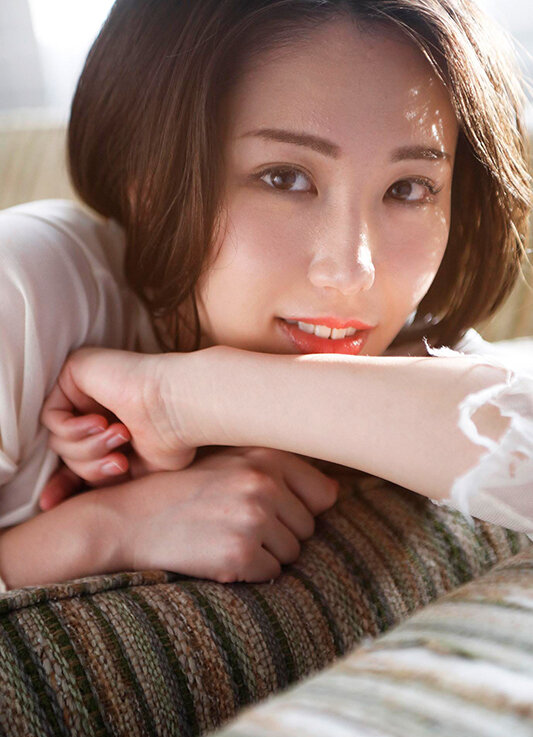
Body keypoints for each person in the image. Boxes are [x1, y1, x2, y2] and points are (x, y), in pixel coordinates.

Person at [0, 0, 532, 591]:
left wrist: (177, 399)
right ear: (146, 183)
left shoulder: (411, 347)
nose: (351, 272)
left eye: (408, 188)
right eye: (285, 178)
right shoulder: (25, 287)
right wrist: (107, 530)